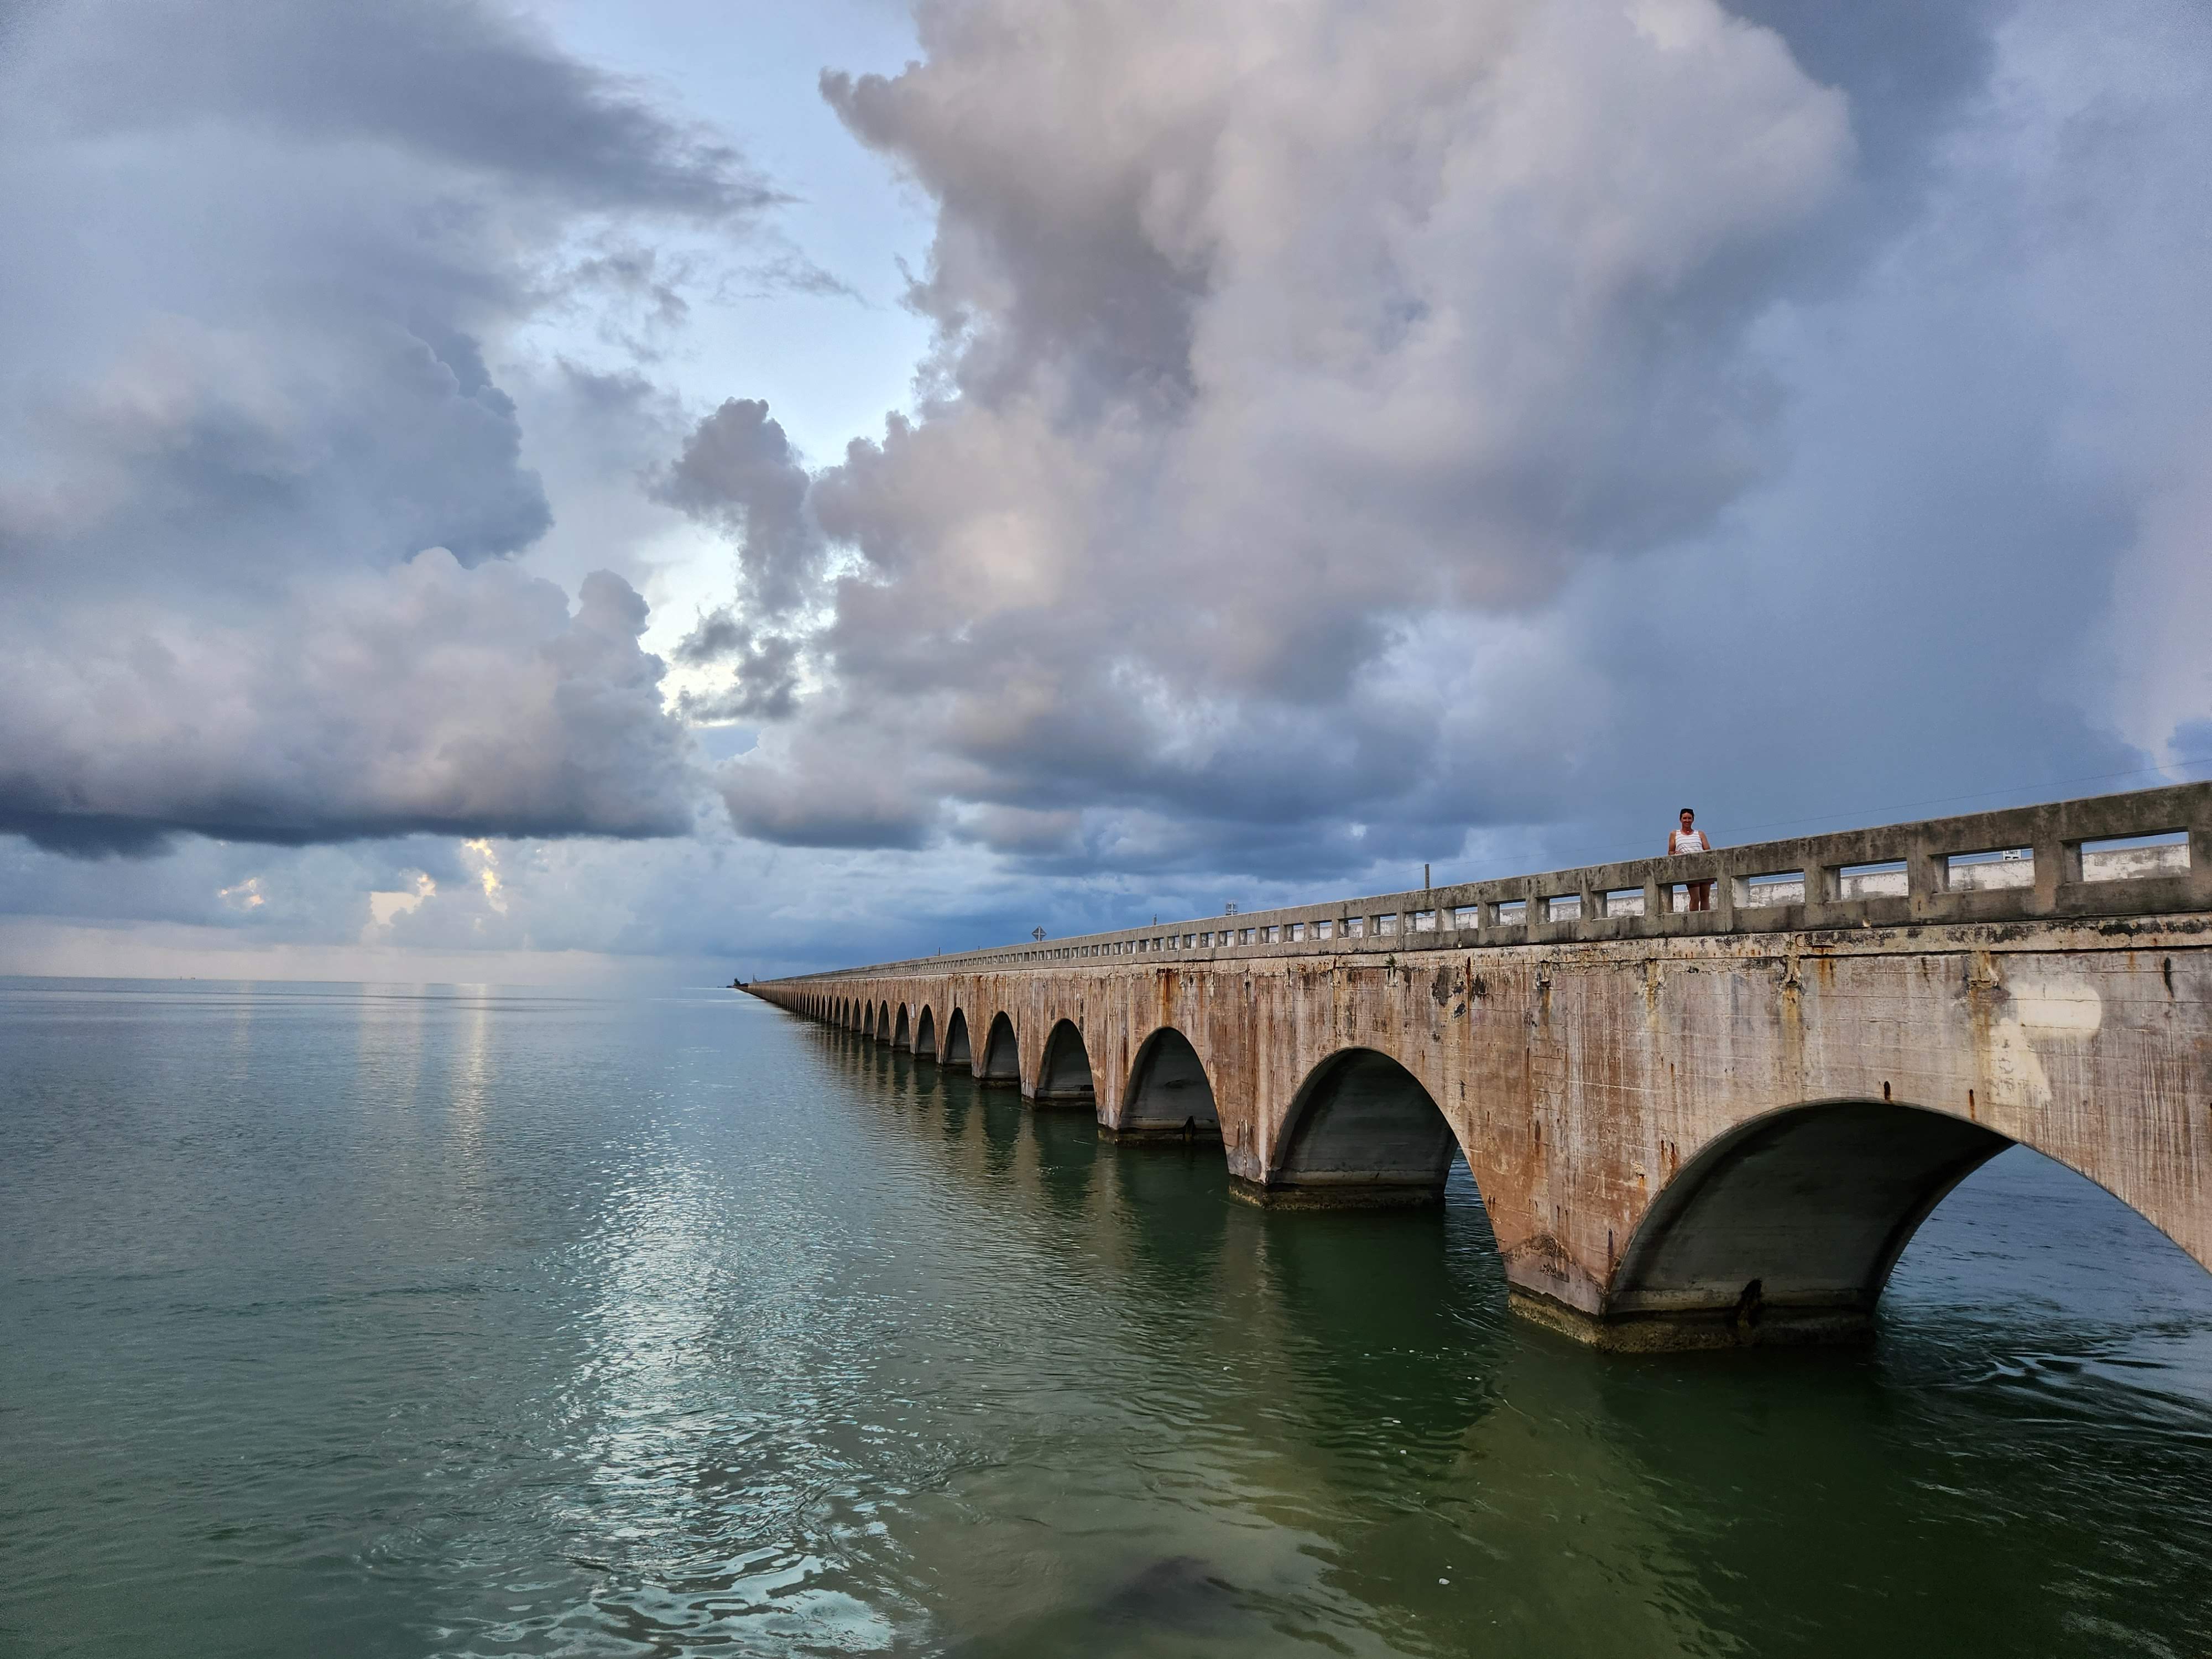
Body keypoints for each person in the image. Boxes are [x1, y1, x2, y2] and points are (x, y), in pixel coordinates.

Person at [1669, 807, 1713, 911]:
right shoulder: (1675, 834)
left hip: (1703, 867)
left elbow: (1708, 850)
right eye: (1685, 818)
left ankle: (1706, 920)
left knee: (1705, 897)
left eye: (1689, 818)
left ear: (1693, 819)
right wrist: (1675, 853)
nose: (1687, 821)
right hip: (1689, 869)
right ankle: (1695, 922)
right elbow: (1670, 852)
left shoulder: (1700, 834)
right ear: (1681, 820)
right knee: (1695, 897)